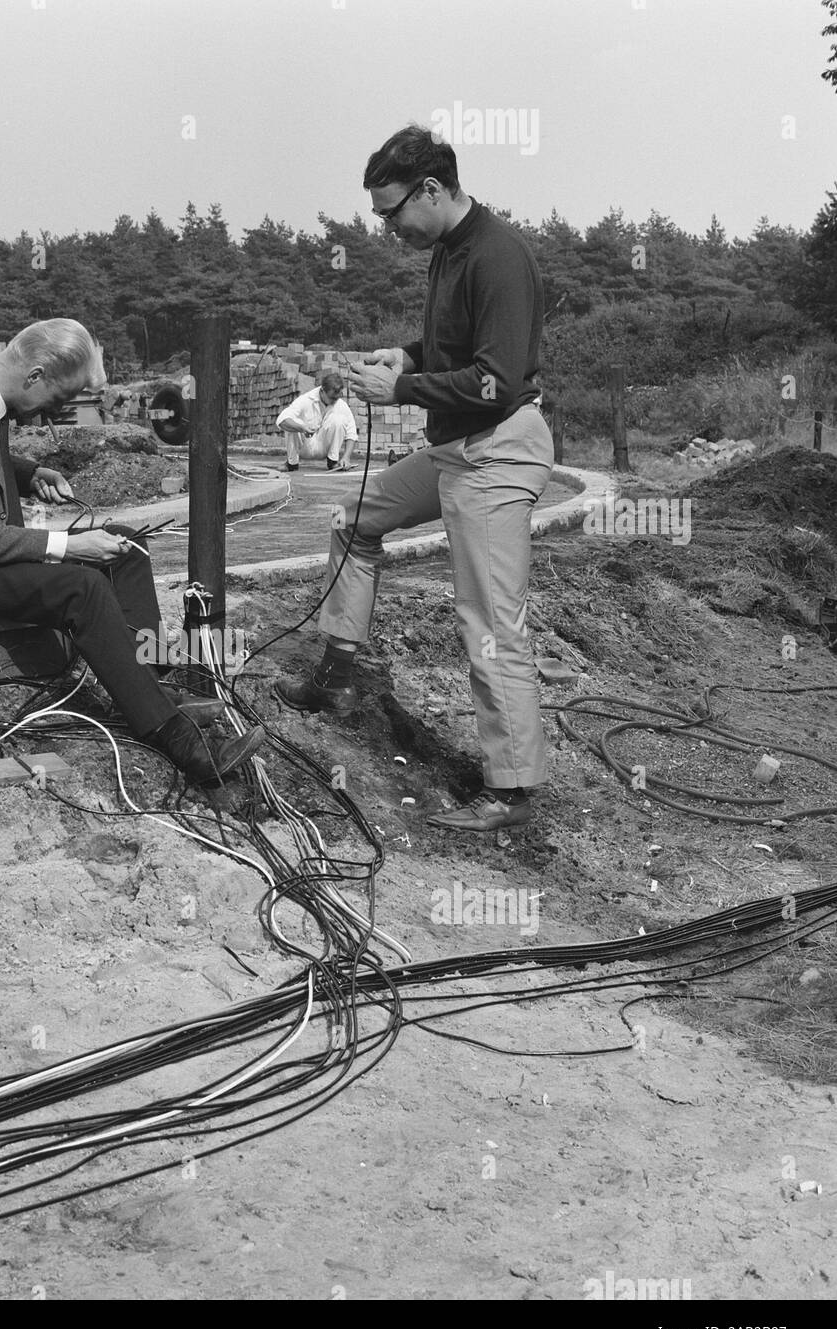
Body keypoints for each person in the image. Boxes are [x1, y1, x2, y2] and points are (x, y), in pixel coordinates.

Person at [0, 318, 264, 786]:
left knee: (127, 550)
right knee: (83, 587)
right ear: (35, 374)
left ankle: (151, 686)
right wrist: (67, 545)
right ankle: (182, 745)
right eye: (57, 399)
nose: (48, 414)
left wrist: (27, 473)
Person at [274, 124, 555, 832]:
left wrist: (401, 391)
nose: (386, 225)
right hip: (457, 446)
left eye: (392, 210)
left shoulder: (498, 257)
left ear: (431, 190)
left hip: (496, 448)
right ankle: (337, 673)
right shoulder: (447, 251)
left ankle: (511, 792)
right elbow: (451, 349)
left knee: (490, 623)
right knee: (354, 520)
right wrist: (403, 356)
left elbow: (493, 380)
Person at [276, 371, 358, 472]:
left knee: (339, 420)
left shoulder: (341, 404)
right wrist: (302, 428)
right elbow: (281, 420)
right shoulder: (305, 400)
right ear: (322, 391)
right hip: (304, 446)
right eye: (332, 398)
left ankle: (333, 462)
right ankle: (292, 464)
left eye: (337, 397)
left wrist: (346, 457)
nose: (335, 401)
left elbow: (351, 433)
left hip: (325, 448)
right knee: (291, 421)